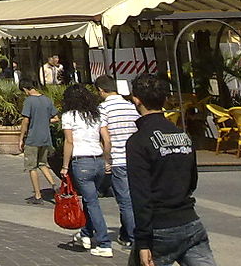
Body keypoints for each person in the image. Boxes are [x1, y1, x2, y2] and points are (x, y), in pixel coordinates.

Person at [127, 74, 219, 266]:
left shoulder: (138, 141)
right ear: (165, 100)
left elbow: (140, 195)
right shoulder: (182, 135)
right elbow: (192, 180)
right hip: (190, 222)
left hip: (159, 229)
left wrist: (143, 241)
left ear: (136, 99)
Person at [61, 82, 113, 257]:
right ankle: (86, 233)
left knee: (92, 202)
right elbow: (106, 139)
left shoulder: (69, 116)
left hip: (81, 162)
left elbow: (69, 142)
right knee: (90, 200)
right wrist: (106, 160)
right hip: (98, 160)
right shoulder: (96, 115)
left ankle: (104, 242)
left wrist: (65, 166)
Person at [96, 75, 139, 249]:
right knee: (135, 198)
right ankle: (128, 231)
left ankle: (132, 236)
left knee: (125, 200)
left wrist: (107, 160)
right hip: (135, 159)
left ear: (100, 90)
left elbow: (106, 139)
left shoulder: (103, 108)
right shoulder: (131, 107)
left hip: (118, 159)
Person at [18, 78, 59, 205]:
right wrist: (45, 121)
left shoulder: (29, 101)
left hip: (33, 138)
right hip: (45, 138)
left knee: (32, 167)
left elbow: (25, 121)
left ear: (25, 89)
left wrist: (21, 138)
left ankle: (37, 195)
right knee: (42, 163)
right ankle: (54, 185)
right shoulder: (46, 99)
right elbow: (56, 118)